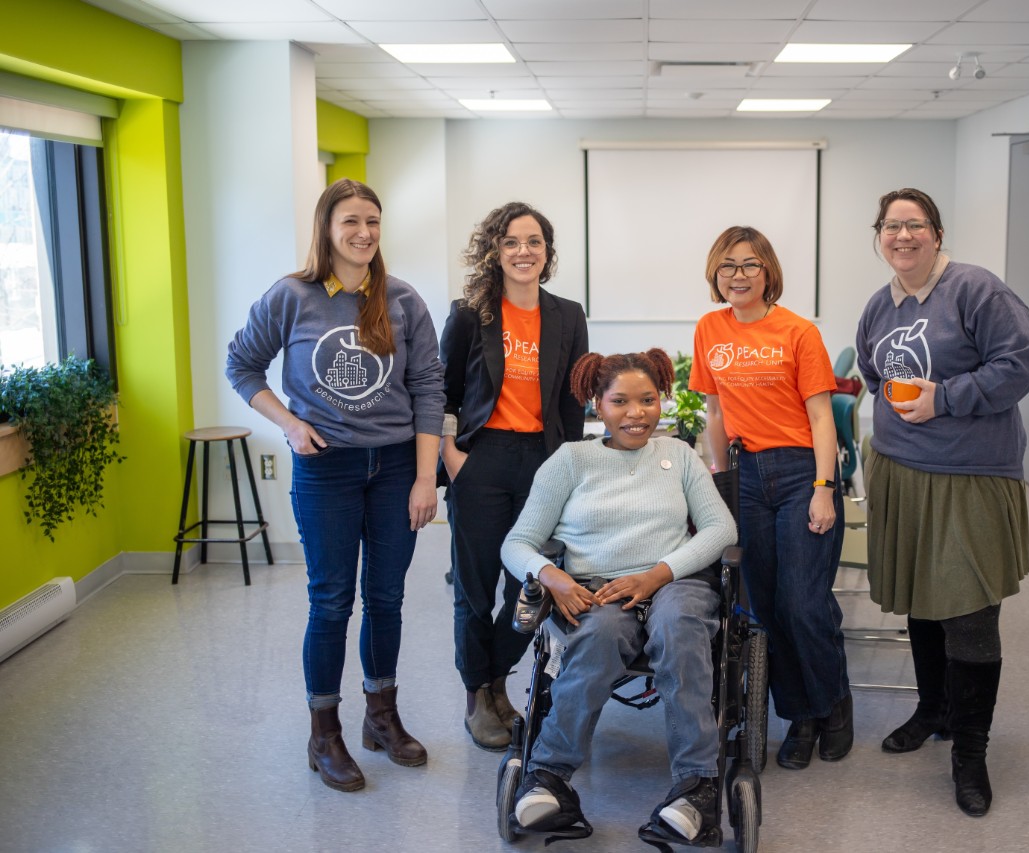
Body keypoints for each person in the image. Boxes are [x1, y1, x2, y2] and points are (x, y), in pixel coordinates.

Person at [225, 178, 445, 792]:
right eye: (351, 221)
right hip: (326, 470)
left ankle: (382, 716)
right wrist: (290, 424)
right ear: (327, 228)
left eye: (373, 221)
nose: (364, 233)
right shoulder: (291, 297)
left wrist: (427, 478)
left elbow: (429, 388)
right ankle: (324, 732)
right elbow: (241, 366)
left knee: (387, 599)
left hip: (397, 467)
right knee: (330, 601)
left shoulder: (401, 299)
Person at [855, 187, 1029, 817]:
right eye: (890, 226)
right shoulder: (882, 304)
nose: (902, 236)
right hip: (903, 473)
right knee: (922, 600)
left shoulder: (976, 290)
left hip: (969, 475)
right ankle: (932, 709)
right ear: (878, 235)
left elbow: (1021, 364)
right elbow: (874, 373)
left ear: (936, 233)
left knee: (967, 613)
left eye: (914, 225)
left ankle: (970, 753)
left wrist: (946, 398)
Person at [501, 349, 737, 842]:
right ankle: (547, 778)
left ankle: (696, 786)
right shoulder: (571, 460)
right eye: (622, 401)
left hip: (674, 582)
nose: (637, 413)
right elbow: (517, 543)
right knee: (597, 639)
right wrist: (554, 578)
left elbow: (720, 529)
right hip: (597, 590)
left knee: (678, 629)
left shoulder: (681, 456)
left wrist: (656, 576)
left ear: (662, 400)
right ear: (598, 404)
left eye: (648, 400)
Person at [689, 226, 852, 771]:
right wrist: (719, 483)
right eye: (728, 265)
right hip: (748, 475)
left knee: (803, 602)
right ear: (715, 273)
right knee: (762, 605)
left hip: (802, 469)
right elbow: (713, 412)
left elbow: (822, 416)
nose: (738, 275)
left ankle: (834, 703)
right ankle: (800, 717)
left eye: (750, 265)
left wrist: (824, 489)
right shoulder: (710, 328)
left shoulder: (798, 332)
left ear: (769, 273)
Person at [440, 202, 588, 751]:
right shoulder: (469, 313)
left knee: (530, 587)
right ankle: (478, 696)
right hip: (482, 460)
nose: (523, 252)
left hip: (542, 464)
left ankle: (497, 678)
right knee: (475, 590)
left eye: (534, 242)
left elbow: (573, 403)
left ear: (547, 252)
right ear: (494, 252)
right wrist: (453, 457)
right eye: (511, 242)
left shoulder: (568, 315)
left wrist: (572, 471)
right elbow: (444, 392)